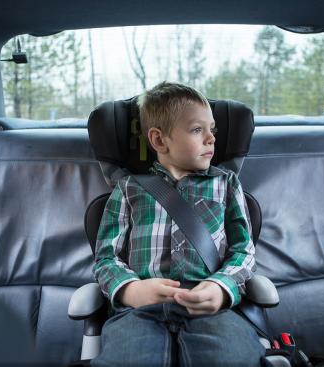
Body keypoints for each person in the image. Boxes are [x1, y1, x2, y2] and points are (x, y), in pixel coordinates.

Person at [92, 82, 265, 366]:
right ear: (159, 141)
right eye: (198, 130)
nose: (211, 139)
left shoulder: (226, 184)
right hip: (140, 310)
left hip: (210, 308)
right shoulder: (128, 188)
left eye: (213, 130)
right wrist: (131, 290)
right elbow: (106, 258)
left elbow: (243, 252)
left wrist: (221, 288)